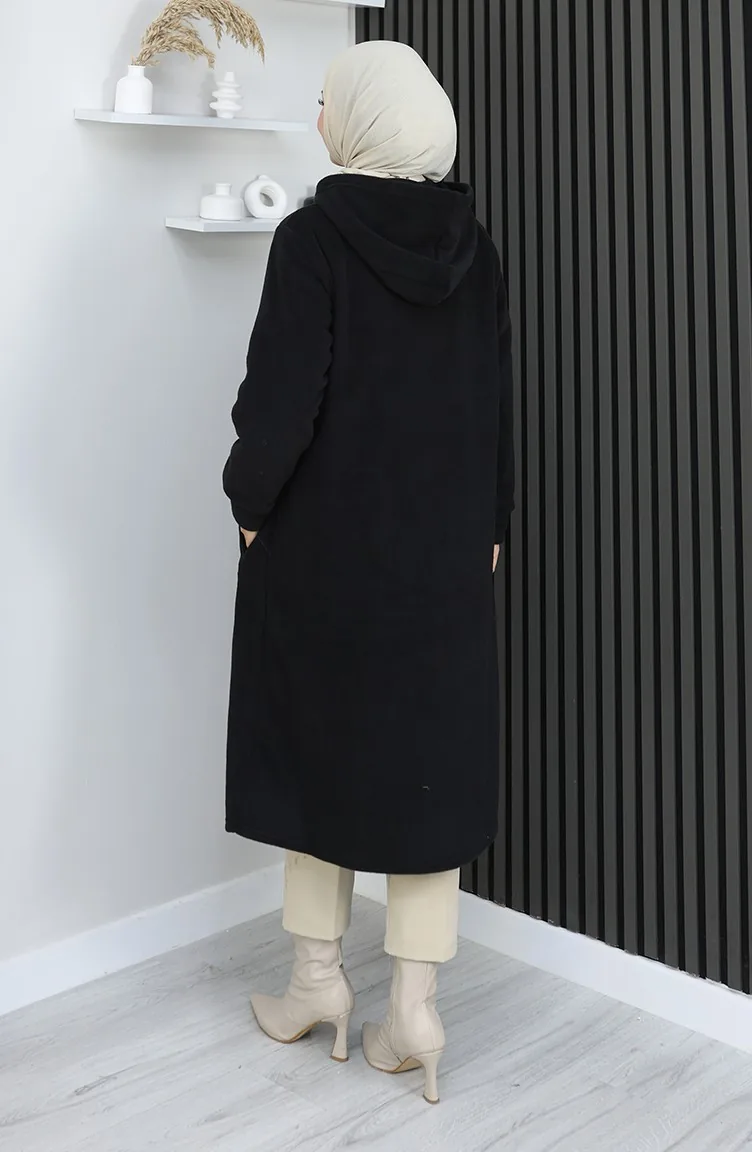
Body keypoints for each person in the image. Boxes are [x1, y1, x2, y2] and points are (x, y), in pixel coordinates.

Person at [222, 40, 514, 1105]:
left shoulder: (313, 237)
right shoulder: (475, 249)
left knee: (319, 754)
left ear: (360, 118)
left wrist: (249, 505)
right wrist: (490, 525)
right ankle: (415, 1013)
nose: (316, 117)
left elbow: (279, 399)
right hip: (443, 561)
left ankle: (316, 984)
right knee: (427, 767)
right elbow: (492, 404)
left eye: (324, 100)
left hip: (327, 554)